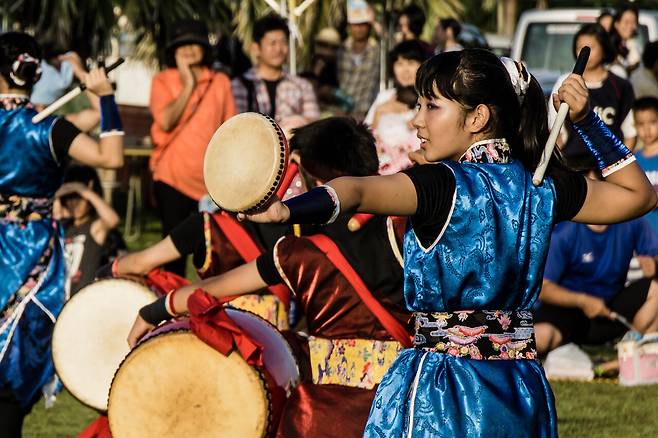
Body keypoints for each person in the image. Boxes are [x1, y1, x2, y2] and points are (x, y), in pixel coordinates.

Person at [178, 48, 653, 435]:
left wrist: (289, 211)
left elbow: (357, 190)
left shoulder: (441, 185)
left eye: (431, 106)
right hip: (519, 391)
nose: (416, 121)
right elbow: (641, 195)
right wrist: (588, 122)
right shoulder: (540, 188)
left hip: (444, 395)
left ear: (478, 117)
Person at [128, 116, 411, 437]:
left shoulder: (299, 251)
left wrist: (153, 310)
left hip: (329, 406)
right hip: (403, 399)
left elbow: (213, 289)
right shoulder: (403, 227)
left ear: (317, 179)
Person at [0, 32, 124, 437]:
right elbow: (110, 156)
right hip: (31, 257)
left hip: (14, 253)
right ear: (34, 74)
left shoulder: (46, 125)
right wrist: (104, 95)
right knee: (13, 372)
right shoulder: (47, 128)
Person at [534, 169, 658, 355]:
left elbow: (654, 255)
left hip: (609, 310)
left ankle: (634, 349)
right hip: (569, 312)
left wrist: (653, 263)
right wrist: (583, 301)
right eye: (592, 182)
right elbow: (544, 288)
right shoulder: (564, 233)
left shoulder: (631, 221)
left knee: (655, 290)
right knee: (542, 337)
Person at [149, 19, 236, 277]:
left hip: (210, 184)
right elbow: (165, 121)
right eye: (182, 45)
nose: (188, 49)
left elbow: (229, 130)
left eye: (194, 44)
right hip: (172, 178)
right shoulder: (162, 80)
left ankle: (206, 300)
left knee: (211, 253)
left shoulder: (220, 82)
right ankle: (168, 298)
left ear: (204, 49)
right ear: (173, 51)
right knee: (172, 253)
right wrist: (188, 84)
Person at [549, 23, 637, 157]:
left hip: (609, 164)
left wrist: (619, 163)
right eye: (579, 47)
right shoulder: (566, 83)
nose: (583, 53)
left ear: (604, 48)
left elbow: (630, 133)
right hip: (574, 163)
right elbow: (555, 131)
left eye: (590, 48)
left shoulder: (621, 86)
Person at [231, 13, 319, 134]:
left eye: (283, 42)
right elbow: (233, 127)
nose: (278, 49)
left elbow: (314, 128)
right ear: (256, 48)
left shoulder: (302, 86)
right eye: (272, 43)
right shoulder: (239, 86)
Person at [55, 165, 122, 298]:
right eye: (70, 198)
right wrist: (58, 194)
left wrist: (83, 190)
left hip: (83, 300)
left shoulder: (93, 228)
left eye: (79, 198)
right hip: (60, 300)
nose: (75, 204)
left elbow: (113, 220)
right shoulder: (64, 227)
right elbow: (54, 215)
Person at [365, 40, 427, 174]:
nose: (405, 70)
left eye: (411, 63)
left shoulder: (429, 100)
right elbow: (367, 135)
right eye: (399, 64)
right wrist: (378, 113)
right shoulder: (384, 97)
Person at [338, 3, 380, 120]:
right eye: (355, 25)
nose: (359, 29)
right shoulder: (340, 49)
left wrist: (375, 22)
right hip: (341, 112)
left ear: (369, 26)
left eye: (363, 24)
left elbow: (392, 44)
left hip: (367, 113)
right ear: (349, 26)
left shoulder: (377, 50)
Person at [633, 97, 658, 234]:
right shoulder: (633, 161)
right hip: (643, 237)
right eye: (641, 124)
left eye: (653, 122)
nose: (647, 129)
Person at [609, 6, 641, 79]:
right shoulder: (609, 45)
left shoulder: (635, 45)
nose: (630, 26)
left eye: (633, 22)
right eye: (626, 22)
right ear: (616, 24)